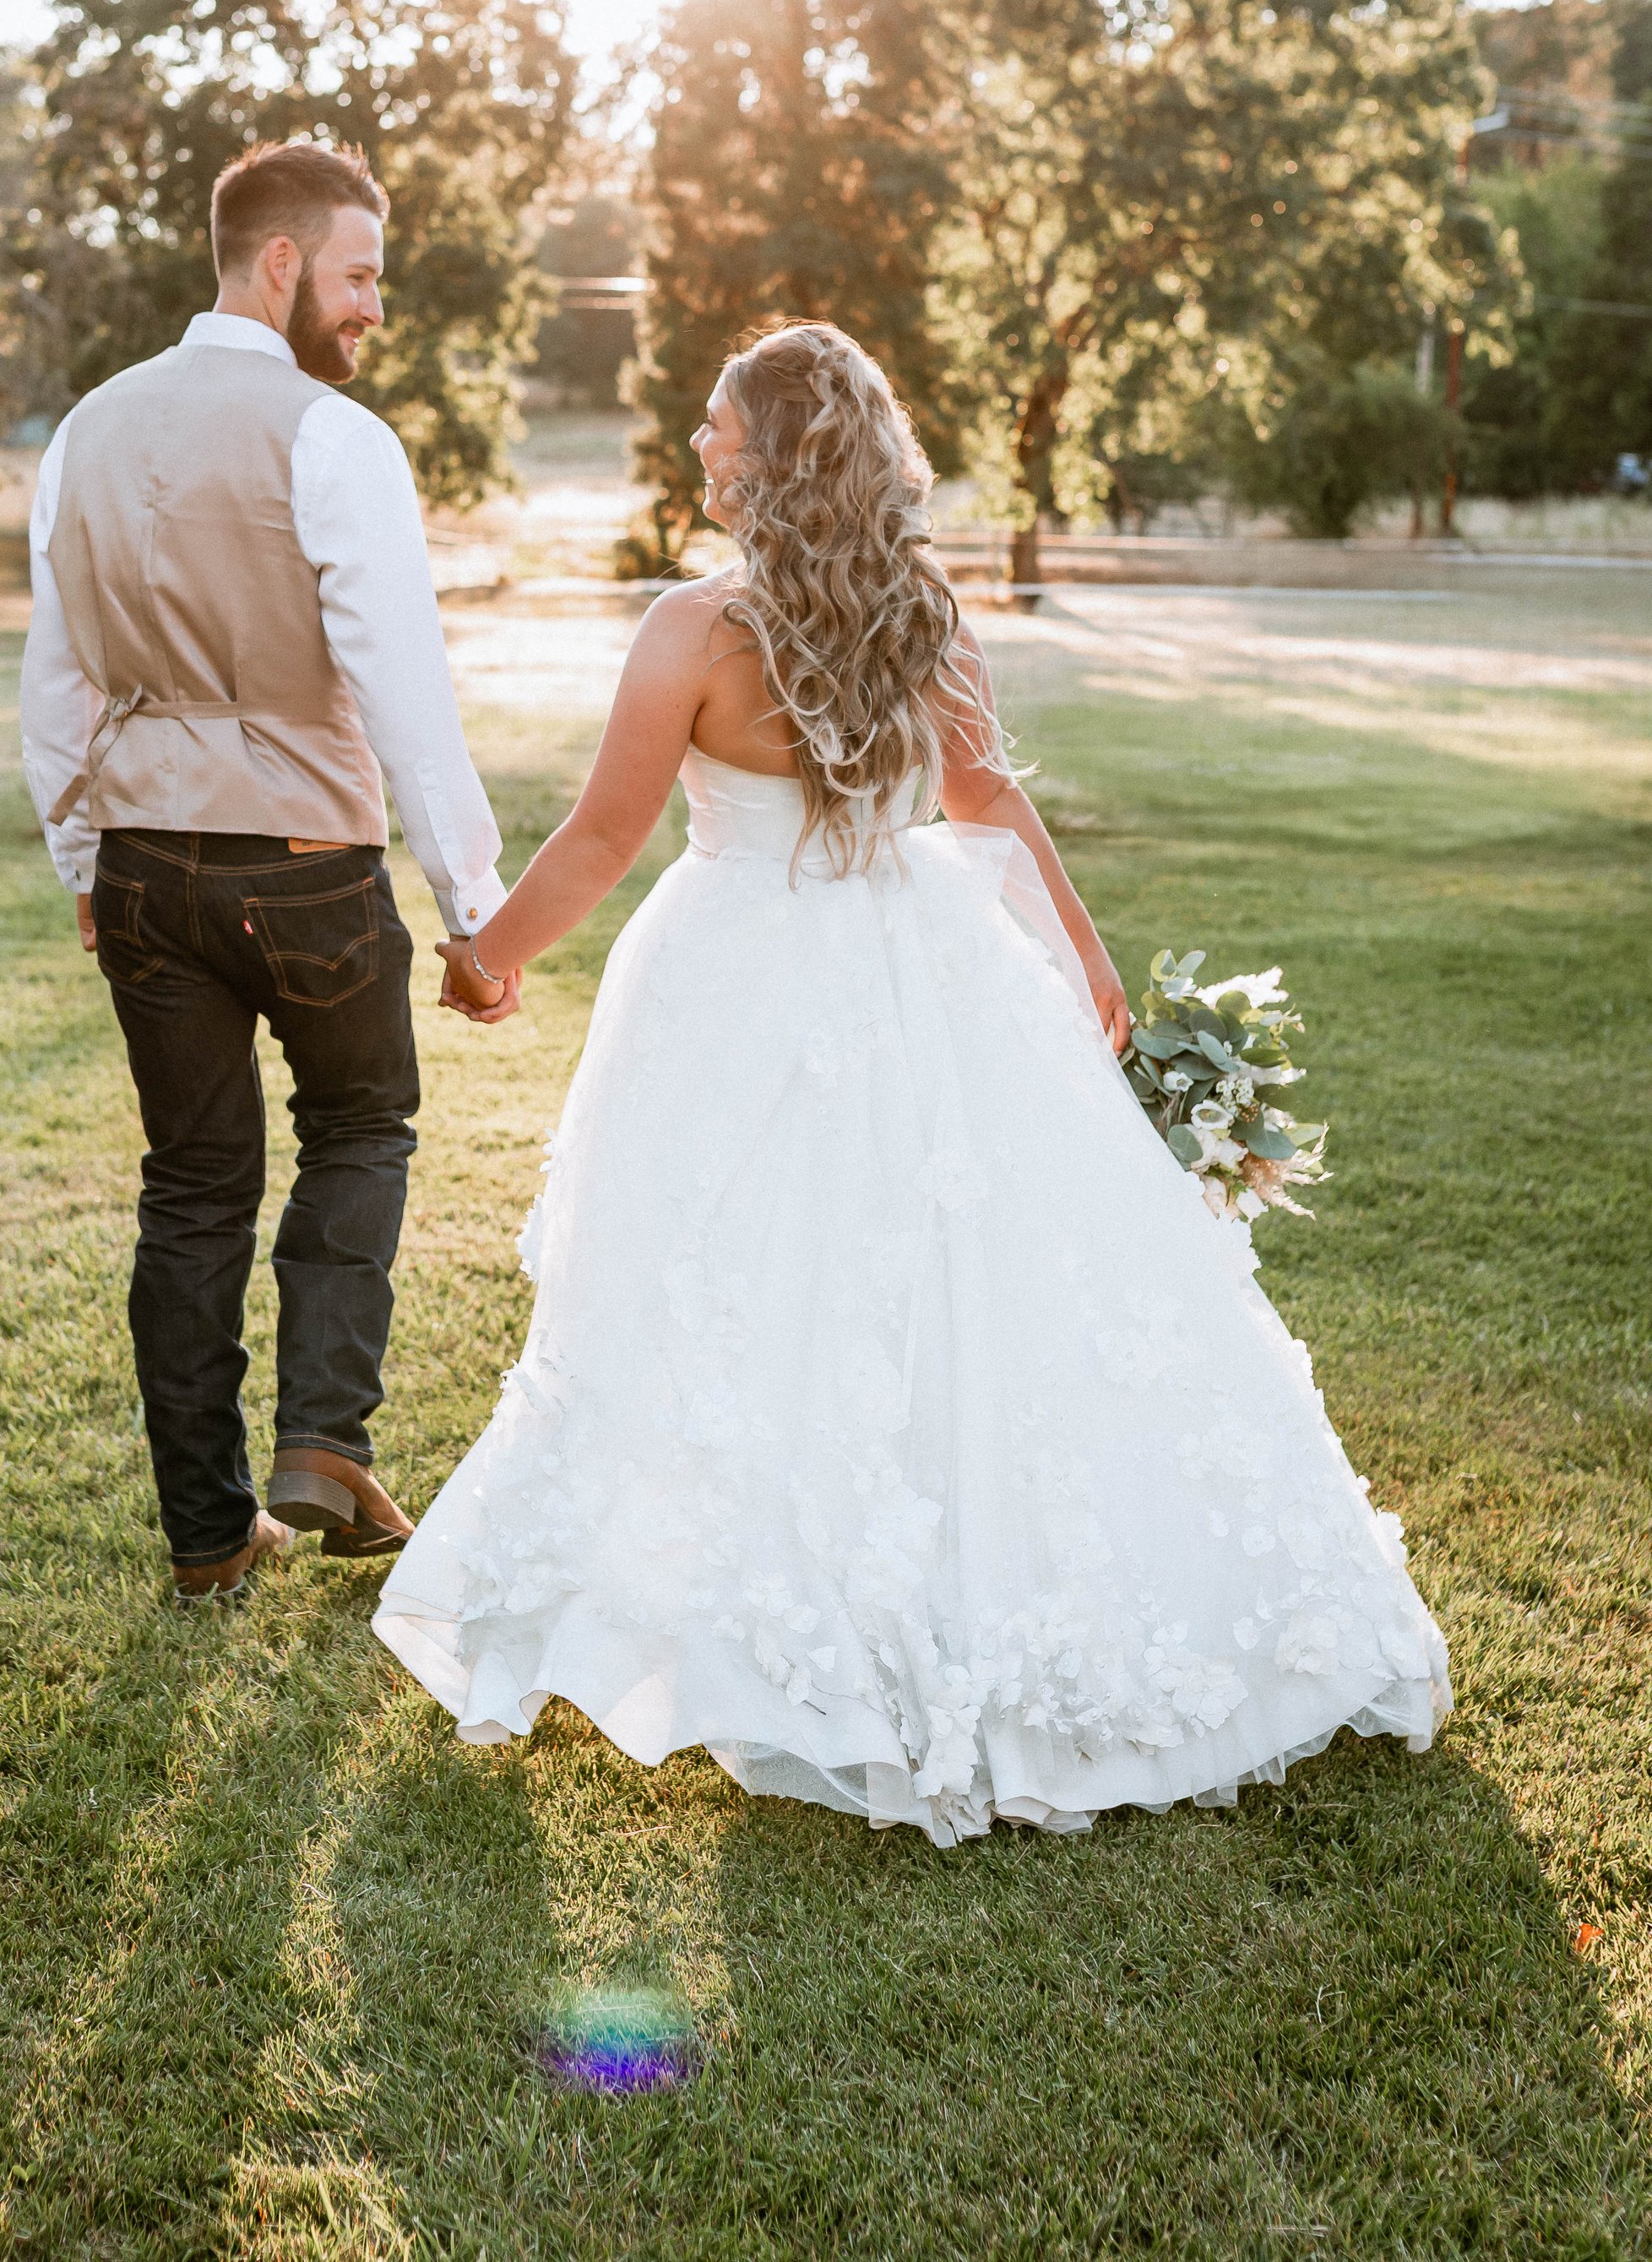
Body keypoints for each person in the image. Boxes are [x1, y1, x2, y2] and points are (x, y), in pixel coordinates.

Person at [376, 320, 1449, 1845]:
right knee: (939, 1286)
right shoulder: (923, 614)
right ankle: (885, 1598)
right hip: (924, 964)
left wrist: (494, 954)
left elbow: (609, 838)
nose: (698, 446)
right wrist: (1087, 974)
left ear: (777, 451)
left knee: (745, 1281)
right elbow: (986, 800)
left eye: (717, 427)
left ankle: (803, 1619)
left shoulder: (696, 631)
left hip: (741, 975)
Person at [20, 139, 520, 1605]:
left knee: (190, 1186)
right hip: (304, 858)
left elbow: (55, 681)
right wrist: (470, 905)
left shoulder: (84, 433)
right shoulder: (332, 437)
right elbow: (401, 685)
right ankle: (325, 1437)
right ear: (285, 261)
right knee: (362, 1120)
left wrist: (80, 859)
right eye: (360, 275)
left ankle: (207, 1533)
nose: (372, 309)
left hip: (142, 863)